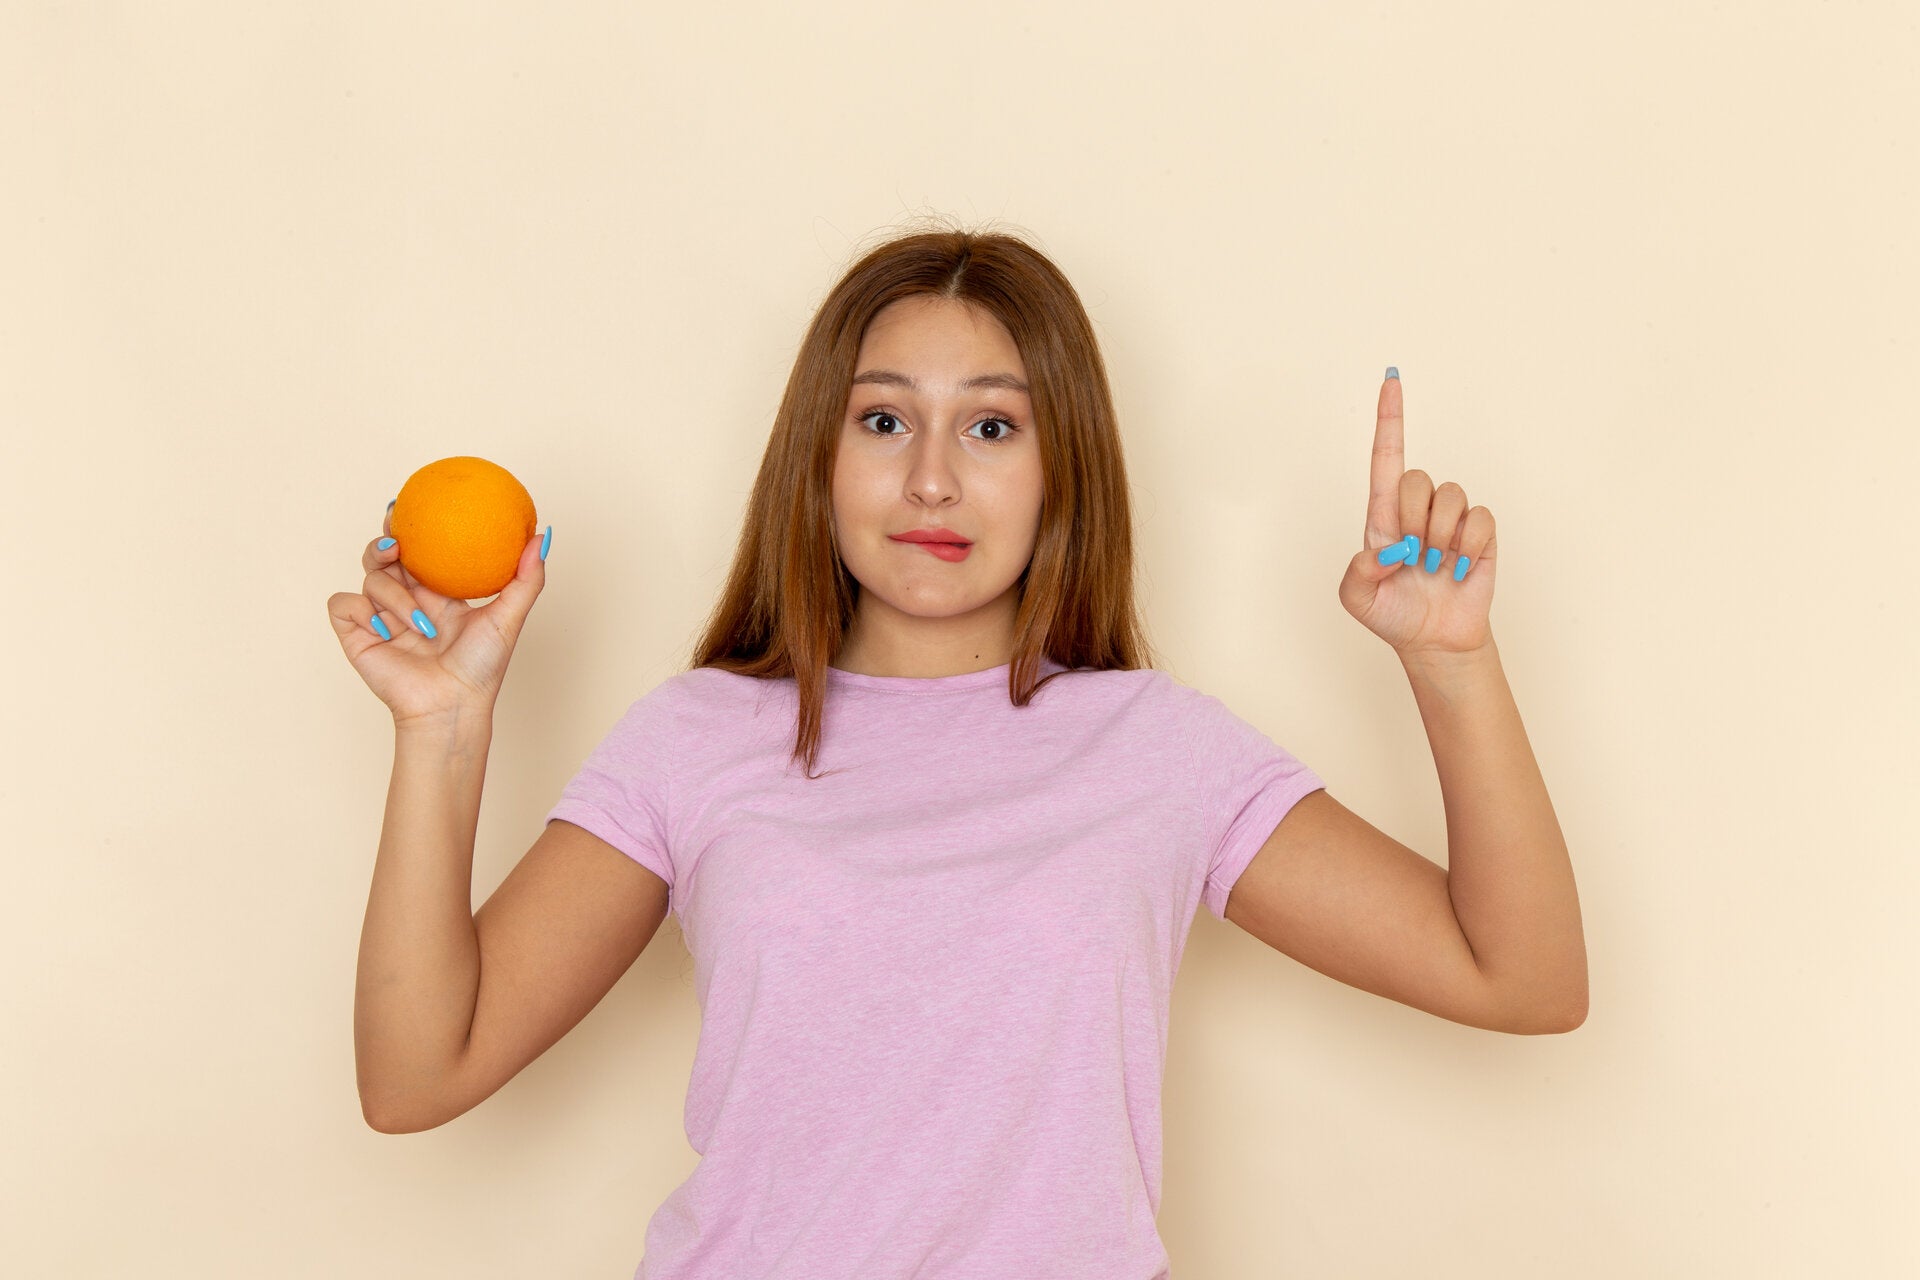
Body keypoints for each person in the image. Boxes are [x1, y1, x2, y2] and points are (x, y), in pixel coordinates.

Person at [329, 224, 1587, 1279]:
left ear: (1062, 472)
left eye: (992, 430)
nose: (931, 479)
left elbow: (1521, 978)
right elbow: (415, 1072)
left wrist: (1452, 663)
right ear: (818, 458)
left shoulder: (1157, 749)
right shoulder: (695, 737)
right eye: (884, 420)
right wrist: (443, 728)